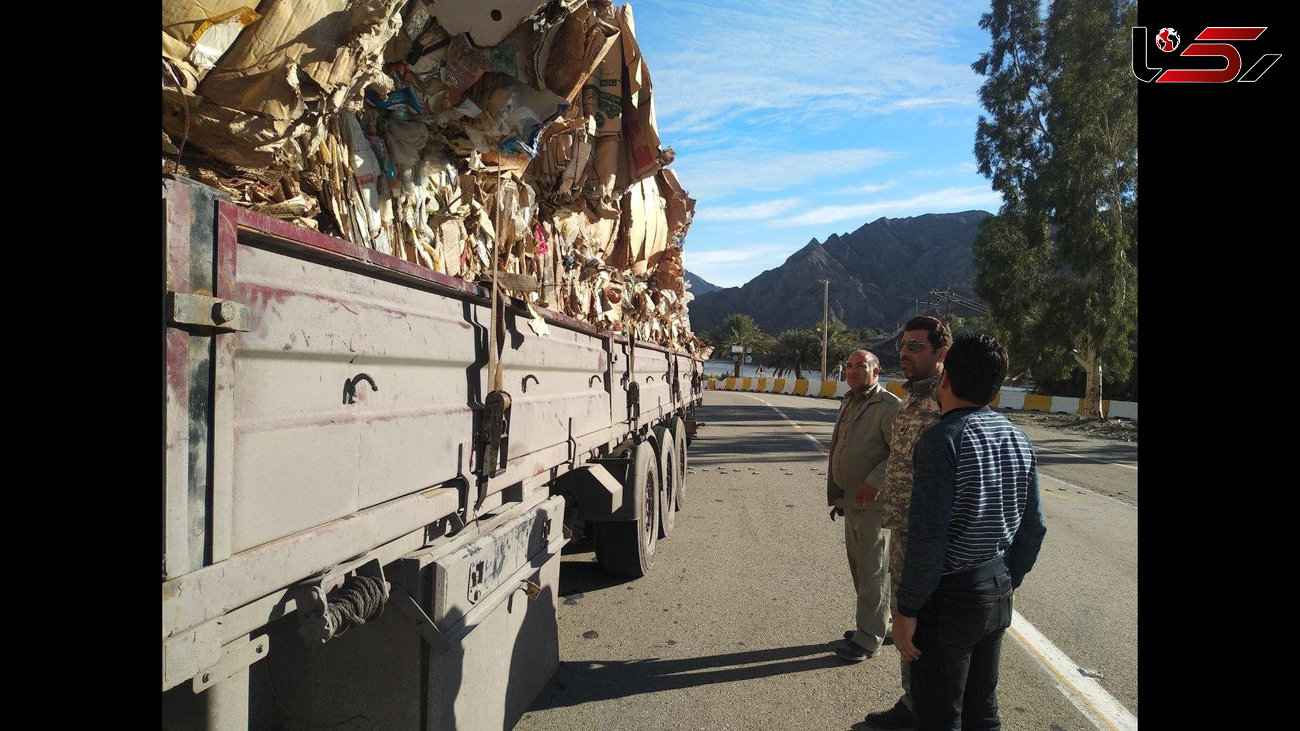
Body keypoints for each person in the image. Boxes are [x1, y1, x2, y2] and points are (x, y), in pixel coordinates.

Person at [891, 332, 1047, 730]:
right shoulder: (1017, 437)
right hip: (996, 590)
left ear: (944, 379)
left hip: (950, 601)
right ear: (998, 386)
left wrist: (907, 609)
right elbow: (1034, 526)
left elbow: (928, 539)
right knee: (982, 710)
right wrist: (1008, 578)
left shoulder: (942, 440)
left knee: (938, 715)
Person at [866, 315, 952, 729]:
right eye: (903, 345)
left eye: (916, 346)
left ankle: (929, 712)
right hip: (903, 529)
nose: (904, 352)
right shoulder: (912, 400)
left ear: (942, 353)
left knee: (924, 627)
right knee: (908, 627)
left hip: (930, 536)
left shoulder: (946, 400)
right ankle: (914, 702)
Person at [826, 350, 901, 662]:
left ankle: (868, 637)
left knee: (873, 570)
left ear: (876, 371)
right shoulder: (850, 401)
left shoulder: (888, 406)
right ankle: (878, 624)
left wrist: (874, 482)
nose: (854, 371)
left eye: (861, 366)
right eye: (850, 366)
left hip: (874, 504)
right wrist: (840, 495)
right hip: (852, 500)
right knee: (860, 567)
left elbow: (899, 452)